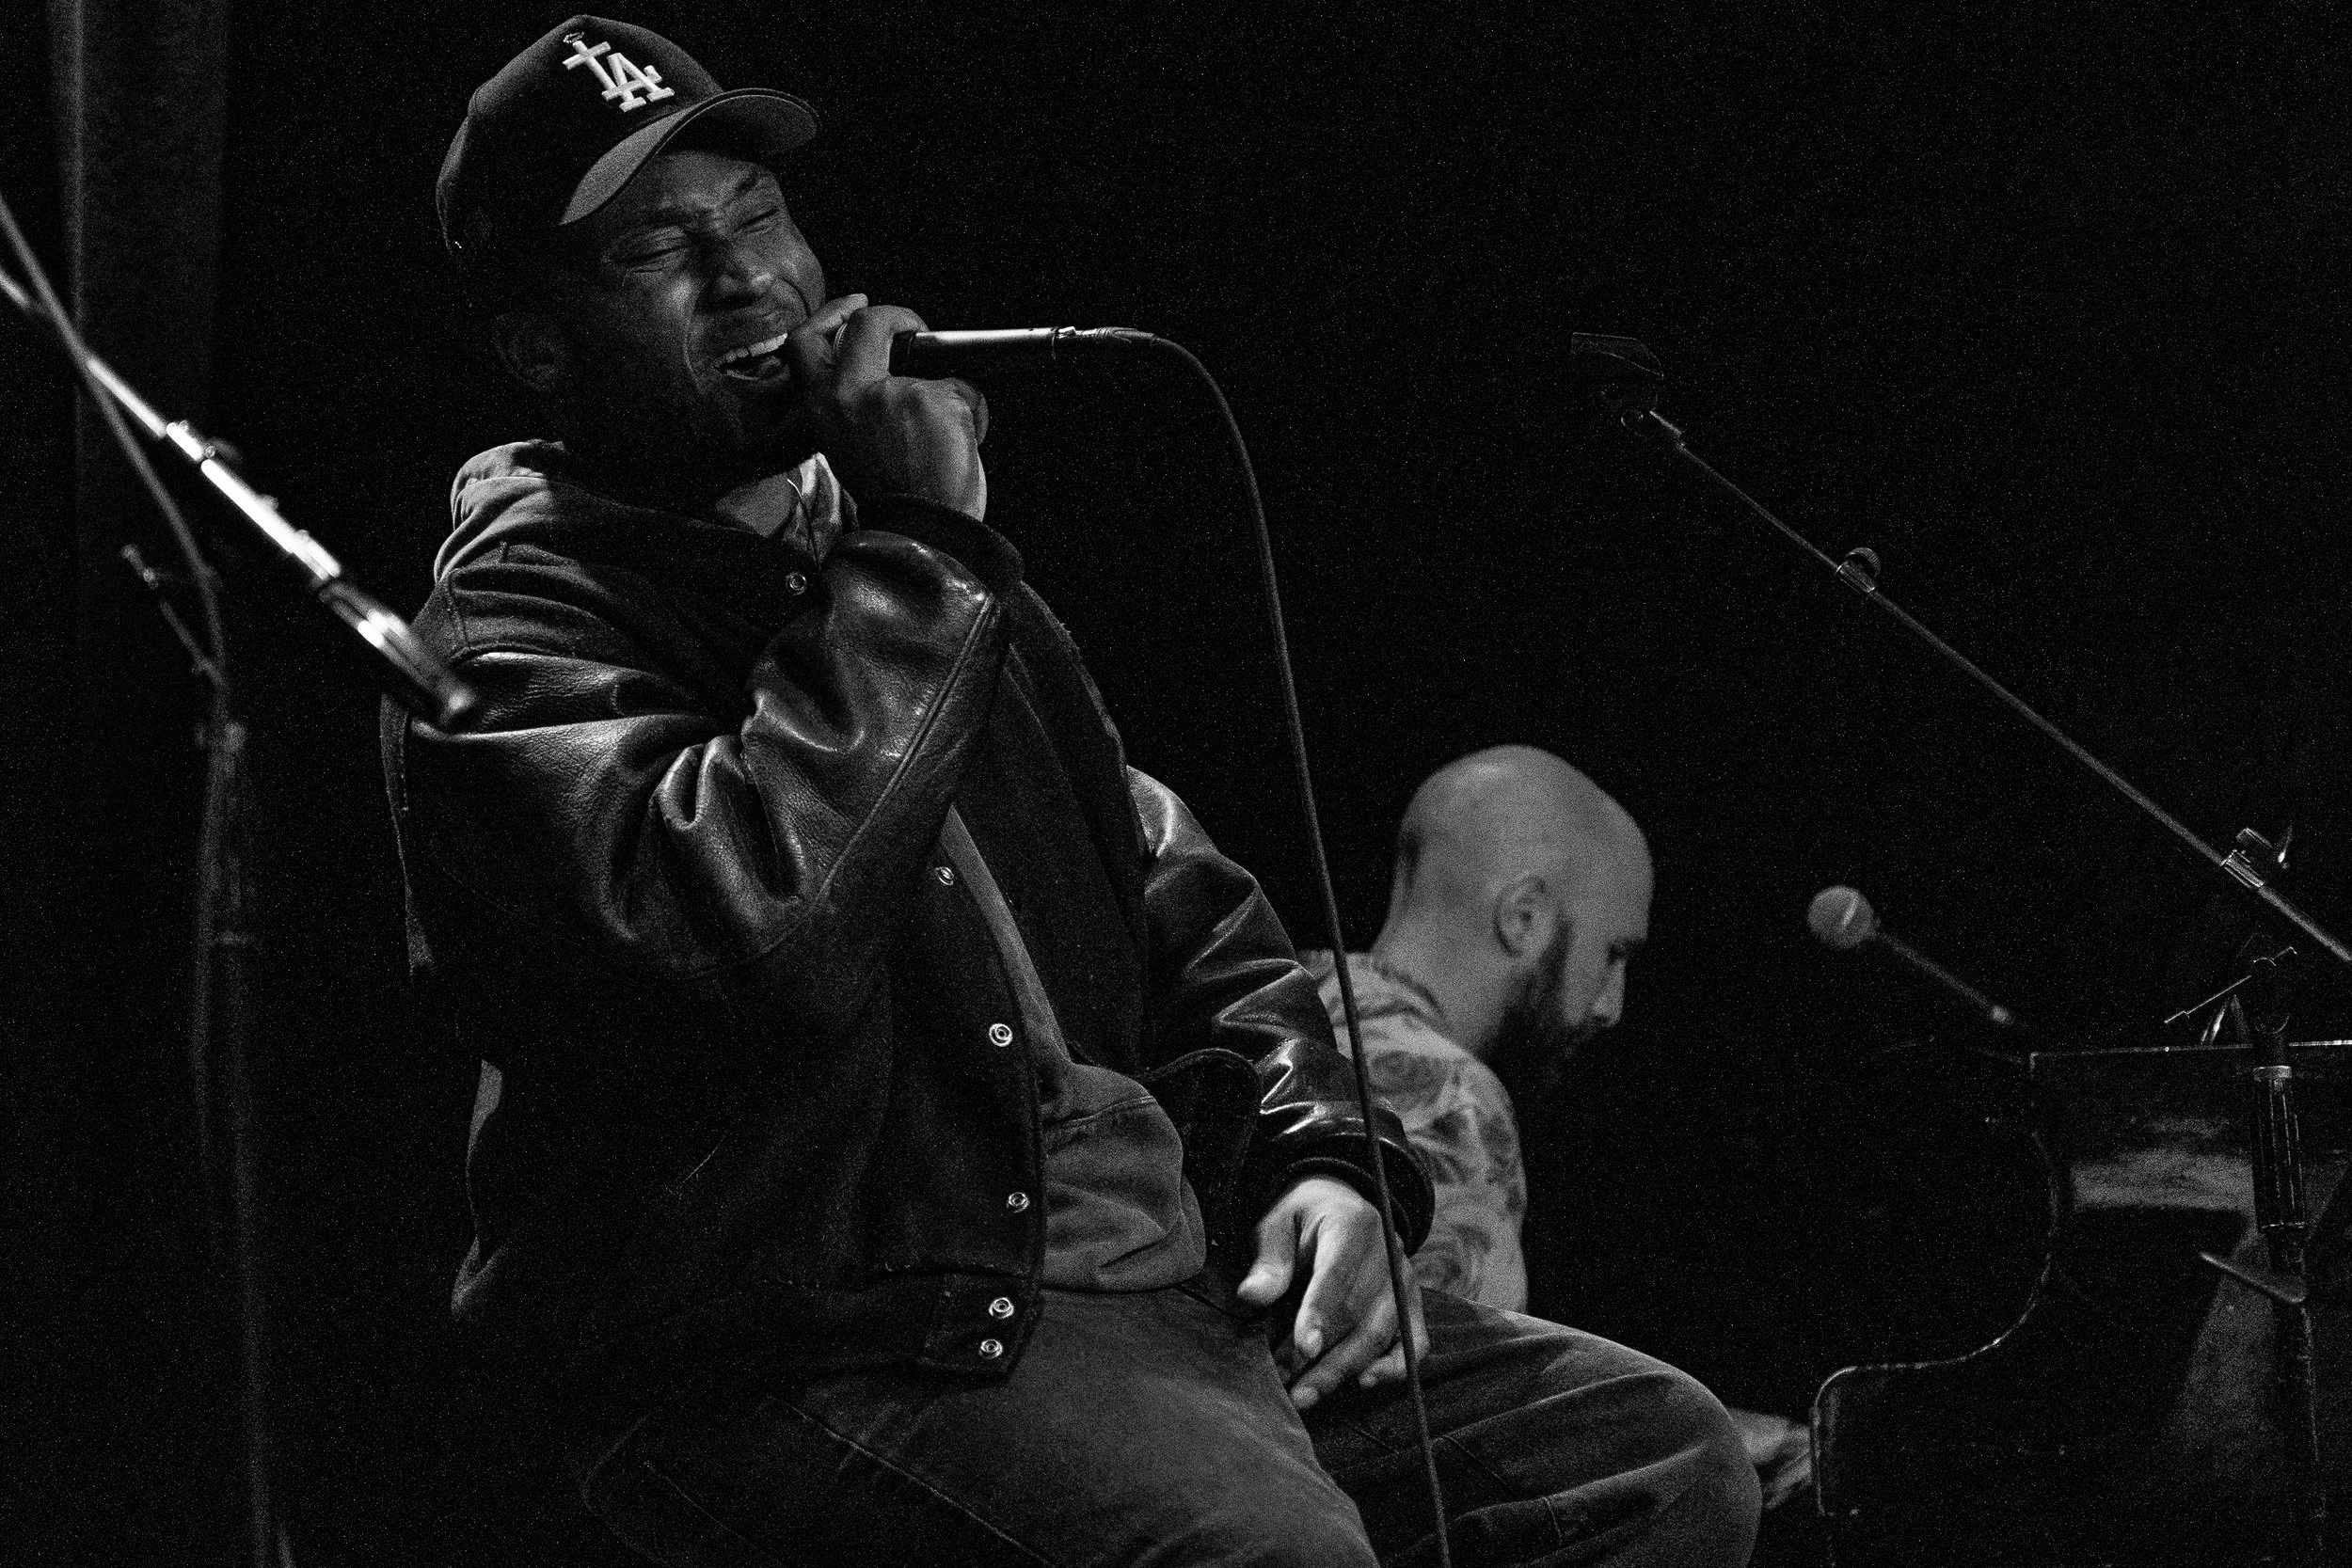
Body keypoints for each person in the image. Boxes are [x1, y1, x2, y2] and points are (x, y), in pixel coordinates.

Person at [383, 18, 1759, 1565]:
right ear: (538, 345)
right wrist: (917, 556)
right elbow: (742, 940)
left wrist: (1328, 1161)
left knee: (1652, 1462)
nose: (751, 280)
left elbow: (1194, 916)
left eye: (760, 215)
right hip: (836, 1341)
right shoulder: (515, 639)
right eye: (660, 247)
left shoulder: (917, 568)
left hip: (1142, 1291)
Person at [1301, 745, 1811, 1509]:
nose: (1612, 1004)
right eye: (1613, 954)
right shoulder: (1450, 1093)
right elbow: (1449, 1418)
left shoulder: (1277, 1006)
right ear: (1525, 915)